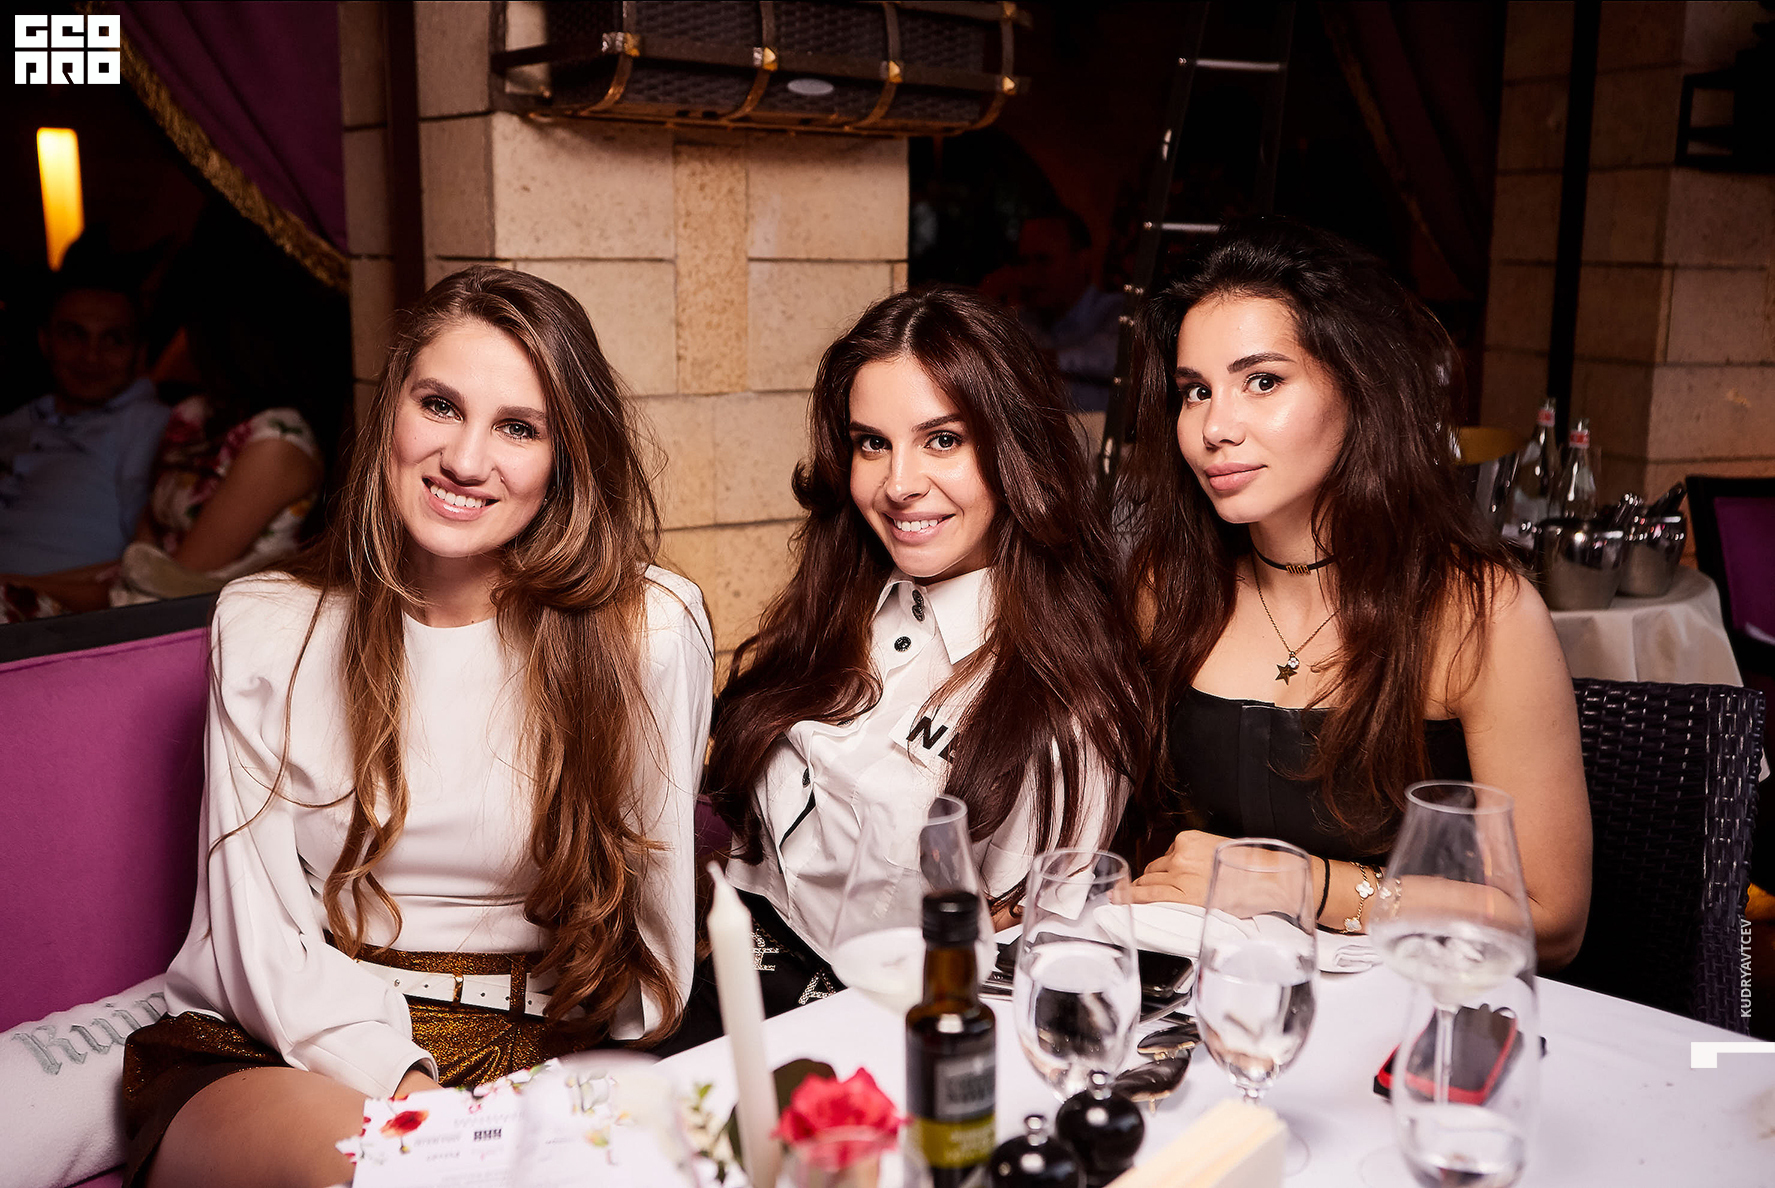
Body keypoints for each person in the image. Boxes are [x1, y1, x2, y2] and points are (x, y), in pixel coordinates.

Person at [120, 265, 713, 1188]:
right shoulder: (266, 623)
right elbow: (253, 928)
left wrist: (587, 1079)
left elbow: (652, 944)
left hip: (539, 1044)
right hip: (290, 1043)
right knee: (401, 1170)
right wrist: (409, 1090)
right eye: (439, 406)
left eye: (518, 428)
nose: (466, 461)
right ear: (391, 409)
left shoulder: (649, 631)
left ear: (566, 458)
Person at [1118, 219, 1591, 968]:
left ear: (1358, 386)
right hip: (1213, 994)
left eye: (1262, 381)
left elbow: (1552, 918)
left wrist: (1304, 884)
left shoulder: (1478, 613)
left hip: (1413, 1004)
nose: (1215, 427)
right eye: (1195, 391)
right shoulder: (1168, 588)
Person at [700, 287, 1149, 1024]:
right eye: (872, 443)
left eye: (943, 440)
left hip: (881, 1026)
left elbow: (1032, 973)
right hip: (726, 986)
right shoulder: (840, 607)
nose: (899, 485)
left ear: (1014, 451)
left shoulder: (1066, 701)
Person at [0, 271, 169, 595]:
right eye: (73, 335)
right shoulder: (18, 423)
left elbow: (151, 565)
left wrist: (21, 588)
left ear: (139, 352)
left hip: (53, 611)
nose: (91, 356)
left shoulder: (148, 425)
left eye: (113, 340)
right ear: (45, 341)